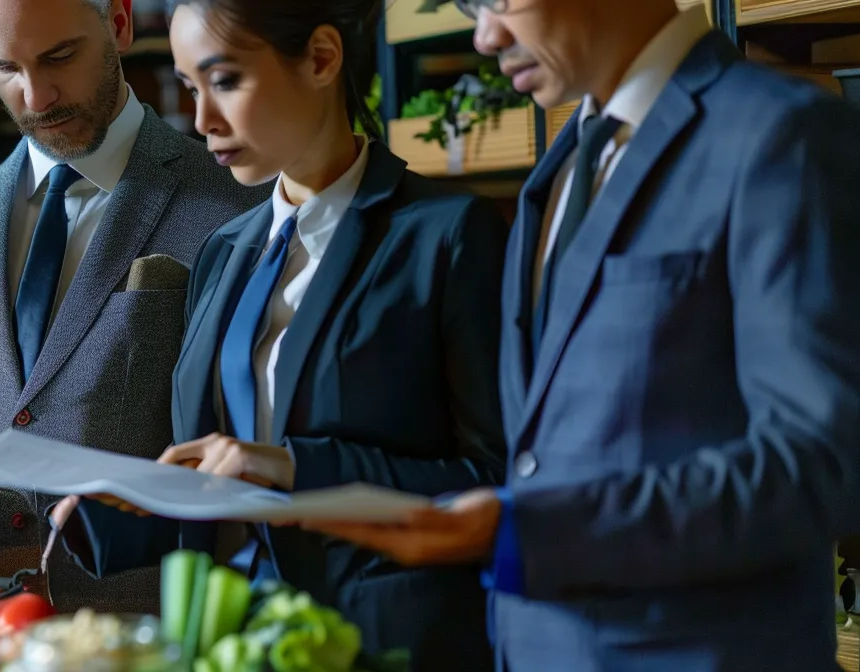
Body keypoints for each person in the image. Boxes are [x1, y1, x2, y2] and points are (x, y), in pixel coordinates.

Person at [302, 0, 860, 669]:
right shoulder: (562, 165)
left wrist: (526, 532)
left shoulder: (779, 134)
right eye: (469, 8)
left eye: (498, 2)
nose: (486, 36)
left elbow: (822, 462)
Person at [50, 0, 506, 667]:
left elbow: (492, 485)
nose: (201, 119)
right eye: (188, 88)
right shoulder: (225, 251)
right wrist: (122, 510)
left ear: (322, 58)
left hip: (385, 646)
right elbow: (224, 489)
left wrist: (297, 468)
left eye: (225, 80)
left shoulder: (448, 235)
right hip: (233, 644)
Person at [0, 0, 261, 612]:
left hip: (148, 629)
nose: (37, 96)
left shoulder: (238, 205)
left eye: (59, 57)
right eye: (4, 67)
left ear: (119, 23)